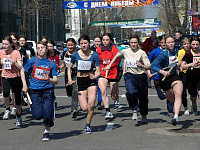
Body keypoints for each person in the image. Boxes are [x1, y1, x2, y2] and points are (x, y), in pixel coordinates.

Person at [104, 34, 150, 123]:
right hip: (130, 75)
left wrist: (142, 65)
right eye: (131, 42)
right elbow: (117, 56)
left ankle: (144, 115)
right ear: (129, 43)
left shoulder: (142, 53)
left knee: (143, 97)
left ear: (138, 43)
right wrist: (109, 65)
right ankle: (134, 109)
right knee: (131, 92)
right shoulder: (125, 51)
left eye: (135, 43)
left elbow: (148, 66)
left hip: (141, 76)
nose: (133, 44)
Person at [21, 41, 58, 141]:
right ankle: (33, 106)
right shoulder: (32, 61)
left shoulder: (51, 63)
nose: (40, 49)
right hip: (34, 90)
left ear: (46, 49)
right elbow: (22, 71)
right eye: (38, 48)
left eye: (42, 47)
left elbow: (56, 80)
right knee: (38, 115)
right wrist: (24, 84)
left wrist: (49, 79)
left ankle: (47, 131)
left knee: (48, 112)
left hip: (47, 90)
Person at [67, 35, 100, 134]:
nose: (83, 45)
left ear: (89, 43)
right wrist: (69, 79)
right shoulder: (75, 55)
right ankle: (82, 105)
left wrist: (95, 76)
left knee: (91, 105)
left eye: (85, 43)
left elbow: (98, 71)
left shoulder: (94, 55)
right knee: (85, 108)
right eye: (81, 43)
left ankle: (88, 125)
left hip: (91, 81)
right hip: (80, 80)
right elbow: (69, 68)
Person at [151, 35, 183, 126]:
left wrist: (179, 66)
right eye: (168, 42)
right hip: (164, 79)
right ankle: (174, 110)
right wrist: (162, 72)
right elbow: (153, 65)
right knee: (171, 99)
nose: (171, 44)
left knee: (178, 94)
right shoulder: (163, 54)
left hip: (174, 76)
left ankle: (176, 116)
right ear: (166, 44)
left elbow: (178, 62)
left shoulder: (177, 51)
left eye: (172, 42)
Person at [149, 35, 174, 117]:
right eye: (162, 42)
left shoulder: (172, 51)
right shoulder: (154, 52)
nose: (163, 44)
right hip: (157, 76)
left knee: (170, 92)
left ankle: (170, 110)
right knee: (161, 96)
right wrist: (149, 72)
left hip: (169, 76)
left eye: (165, 42)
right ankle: (161, 93)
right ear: (159, 43)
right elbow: (149, 63)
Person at [96, 33, 120, 119]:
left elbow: (117, 60)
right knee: (103, 91)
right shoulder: (99, 49)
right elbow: (96, 60)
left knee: (113, 95)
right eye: (103, 40)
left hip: (113, 73)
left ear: (110, 40)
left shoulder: (114, 49)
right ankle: (108, 111)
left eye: (107, 40)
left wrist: (110, 66)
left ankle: (116, 97)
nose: (105, 42)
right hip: (103, 73)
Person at [1, 36, 23, 127]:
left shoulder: (16, 53)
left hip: (15, 77)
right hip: (5, 76)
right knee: (5, 93)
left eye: (6, 44)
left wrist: (13, 62)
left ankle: (19, 116)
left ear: (11, 44)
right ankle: (7, 109)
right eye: (3, 43)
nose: (4, 45)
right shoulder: (1, 52)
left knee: (17, 100)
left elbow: (20, 67)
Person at [59, 38, 78, 118]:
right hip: (68, 72)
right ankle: (75, 101)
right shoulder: (64, 53)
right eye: (68, 45)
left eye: (71, 45)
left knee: (75, 90)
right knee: (69, 91)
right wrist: (59, 68)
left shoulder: (77, 53)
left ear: (75, 45)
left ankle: (74, 109)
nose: (70, 47)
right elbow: (63, 63)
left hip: (76, 72)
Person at [181, 37, 200, 115]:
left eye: (197, 44)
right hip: (191, 77)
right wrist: (191, 64)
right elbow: (182, 66)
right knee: (193, 95)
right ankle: (194, 103)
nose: (195, 46)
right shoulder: (188, 54)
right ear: (190, 44)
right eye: (193, 44)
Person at [178, 37, 190, 115]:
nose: (186, 45)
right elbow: (179, 64)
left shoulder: (192, 52)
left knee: (193, 90)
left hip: (192, 73)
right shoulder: (180, 52)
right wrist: (181, 60)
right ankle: (186, 108)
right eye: (184, 44)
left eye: (187, 44)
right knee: (183, 92)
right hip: (183, 73)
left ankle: (194, 102)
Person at [90, 36, 102, 110]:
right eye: (96, 41)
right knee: (92, 88)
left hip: (100, 70)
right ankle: (91, 102)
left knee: (99, 87)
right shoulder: (90, 49)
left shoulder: (103, 49)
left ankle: (99, 102)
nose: (97, 43)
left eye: (98, 41)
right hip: (92, 70)